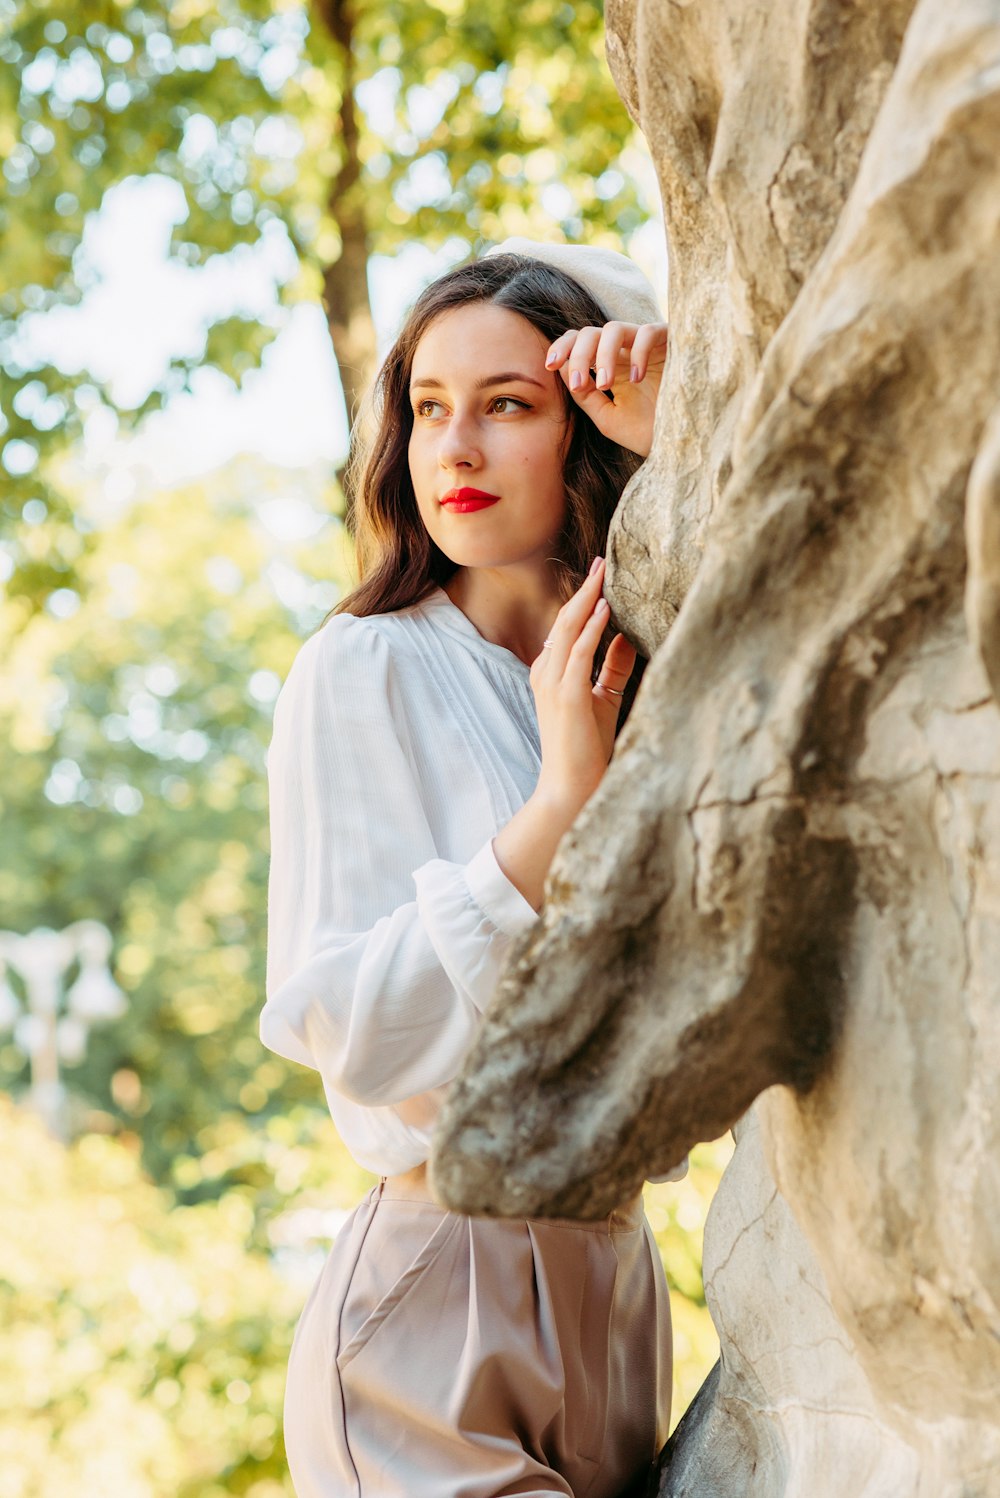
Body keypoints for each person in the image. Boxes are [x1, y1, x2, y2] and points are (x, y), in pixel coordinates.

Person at [261, 237, 671, 1498]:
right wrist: (553, 811)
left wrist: (684, 443)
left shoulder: (664, 666)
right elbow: (348, 1025)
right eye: (428, 409)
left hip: (619, 1287)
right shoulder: (363, 665)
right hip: (437, 1291)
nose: (453, 448)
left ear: (586, 433)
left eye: (507, 406)